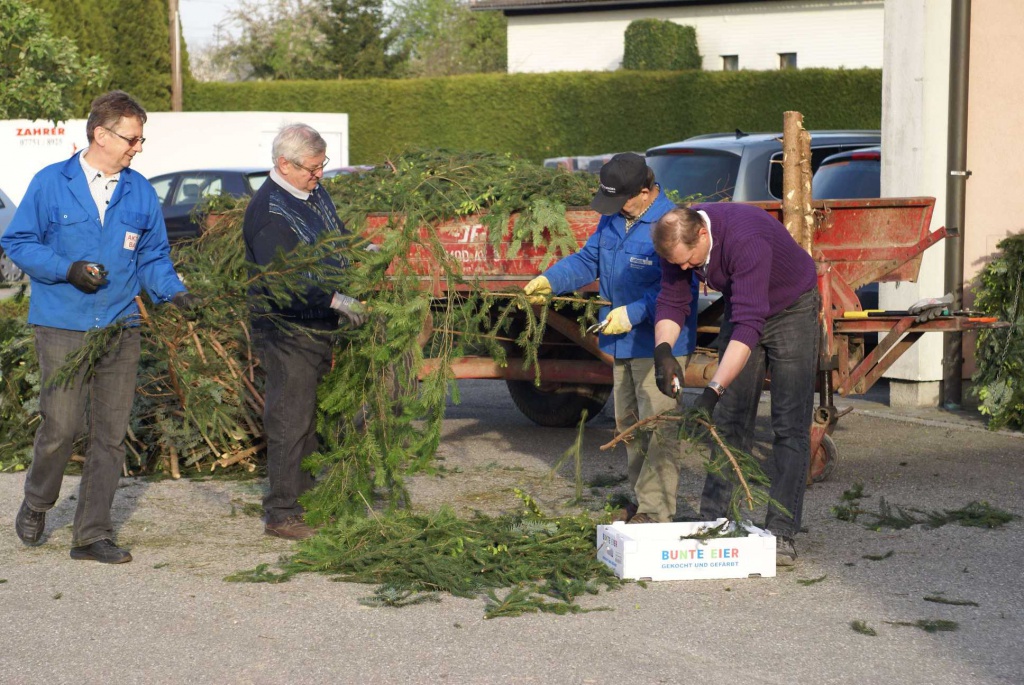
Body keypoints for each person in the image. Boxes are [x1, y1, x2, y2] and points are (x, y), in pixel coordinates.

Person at [2, 90, 198, 564]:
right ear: (101, 135)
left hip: (119, 325)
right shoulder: (51, 183)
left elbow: (152, 256)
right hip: (62, 325)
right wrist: (66, 269)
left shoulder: (140, 191)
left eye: (141, 139)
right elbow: (18, 241)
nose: (138, 147)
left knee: (110, 435)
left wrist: (175, 292)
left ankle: (91, 534)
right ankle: (37, 501)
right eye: (132, 138)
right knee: (61, 427)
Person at [523, 153, 699, 523]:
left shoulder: (671, 225)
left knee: (657, 428)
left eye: (621, 200)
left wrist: (633, 313)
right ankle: (643, 500)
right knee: (629, 428)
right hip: (621, 343)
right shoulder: (614, 219)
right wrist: (551, 280)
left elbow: (676, 291)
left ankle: (657, 512)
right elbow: (588, 260)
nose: (615, 207)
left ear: (645, 192)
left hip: (658, 346)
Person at [651, 203, 820, 566]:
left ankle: (782, 530)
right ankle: (715, 519)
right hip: (745, 306)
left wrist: (713, 390)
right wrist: (663, 350)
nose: (685, 269)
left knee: (789, 424)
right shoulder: (675, 242)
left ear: (702, 234)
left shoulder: (746, 239)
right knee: (730, 420)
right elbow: (672, 301)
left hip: (792, 308)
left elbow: (747, 327)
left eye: (690, 261)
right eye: (679, 264)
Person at [243, 123, 366, 540]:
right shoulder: (269, 215)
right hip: (287, 328)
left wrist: (360, 249)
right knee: (289, 418)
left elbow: (334, 234)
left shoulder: (313, 192)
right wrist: (335, 299)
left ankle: (307, 502)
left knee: (309, 417)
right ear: (284, 164)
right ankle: (281, 513)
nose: (319, 174)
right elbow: (284, 283)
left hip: (318, 325)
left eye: (321, 165)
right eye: (312, 168)